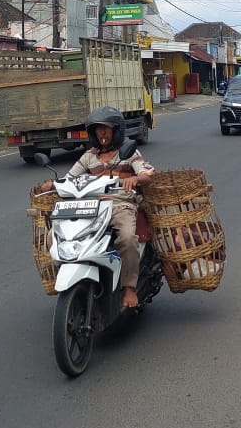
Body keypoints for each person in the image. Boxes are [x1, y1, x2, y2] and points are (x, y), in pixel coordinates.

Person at [40, 107, 155, 309]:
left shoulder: (128, 153)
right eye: (97, 130)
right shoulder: (88, 157)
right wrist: (53, 184)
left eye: (106, 129)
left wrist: (136, 178)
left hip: (119, 204)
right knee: (53, 236)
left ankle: (129, 287)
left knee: (127, 238)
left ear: (116, 130)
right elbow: (70, 178)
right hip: (88, 206)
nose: (102, 133)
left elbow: (146, 175)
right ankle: (70, 273)